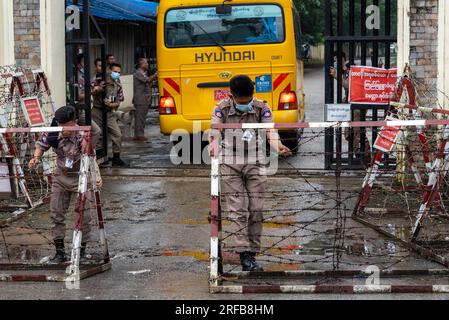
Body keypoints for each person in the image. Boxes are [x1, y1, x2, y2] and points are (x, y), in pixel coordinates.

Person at [209, 75, 292, 272]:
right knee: (237, 210)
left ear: (253, 94)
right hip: (230, 162)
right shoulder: (221, 108)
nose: (245, 105)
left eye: (248, 101)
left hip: (255, 161)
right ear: (232, 96)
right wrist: (213, 144)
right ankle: (244, 255)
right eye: (241, 102)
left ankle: (253, 251)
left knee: (256, 209)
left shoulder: (262, 108)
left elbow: (270, 131)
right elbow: (215, 130)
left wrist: (278, 145)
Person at [29, 106, 102, 262]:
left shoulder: (85, 133)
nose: (65, 128)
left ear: (74, 121)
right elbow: (41, 145)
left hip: (81, 177)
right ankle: (60, 252)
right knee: (56, 213)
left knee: (84, 215)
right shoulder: (54, 132)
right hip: (61, 177)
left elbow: (97, 132)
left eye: (68, 124)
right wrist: (35, 158)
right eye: (62, 124)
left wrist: (82, 116)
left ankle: (81, 252)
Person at [92, 63, 127, 167]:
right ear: (109, 70)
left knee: (117, 134)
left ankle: (116, 157)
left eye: (119, 72)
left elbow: (119, 101)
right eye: (115, 71)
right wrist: (97, 89)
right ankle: (98, 158)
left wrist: (111, 104)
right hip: (97, 111)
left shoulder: (117, 85)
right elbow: (89, 91)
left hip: (109, 113)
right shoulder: (99, 80)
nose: (117, 74)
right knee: (98, 135)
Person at [75, 54, 102, 149]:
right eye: (83, 62)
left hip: (86, 109)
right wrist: (93, 91)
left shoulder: (84, 75)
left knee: (84, 134)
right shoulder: (77, 77)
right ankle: (87, 154)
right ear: (78, 64)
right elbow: (78, 96)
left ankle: (85, 153)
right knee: (96, 131)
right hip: (80, 110)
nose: (85, 65)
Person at [133, 58, 157, 142]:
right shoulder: (138, 73)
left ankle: (139, 134)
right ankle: (139, 135)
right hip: (140, 99)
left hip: (144, 99)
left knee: (142, 118)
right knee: (140, 118)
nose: (147, 65)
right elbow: (147, 80)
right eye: (146, 63)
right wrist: (156, 75)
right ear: (141, 64)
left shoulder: (143, 73)